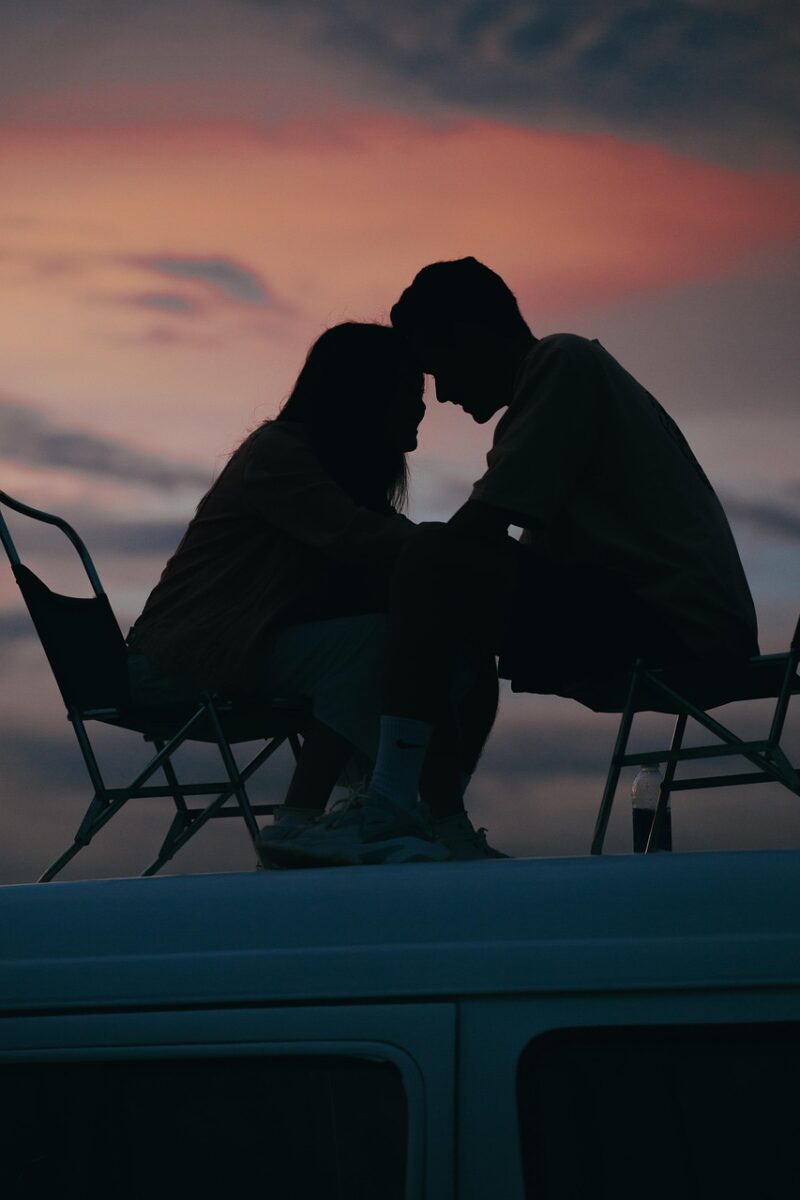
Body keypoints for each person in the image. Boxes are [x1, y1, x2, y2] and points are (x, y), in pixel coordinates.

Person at [272, 257, 758, 867]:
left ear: (470, 335)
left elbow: (471, 537)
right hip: (654, 616)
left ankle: (393, 802)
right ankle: (437, 820)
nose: (442, 393)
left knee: (432, 561)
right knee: (445, 599)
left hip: (677, 627)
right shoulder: (549, 391)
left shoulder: (562, 363)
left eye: (438, 368)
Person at [127, 321, 498, 866]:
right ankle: (299, 823)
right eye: (409, 396)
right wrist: (459, 547)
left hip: (247, 647)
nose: (422, 411)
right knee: (379, 642)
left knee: (455, 649)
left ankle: (438, 816)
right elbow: (358, 539)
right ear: (363, 397)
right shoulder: (278, 456)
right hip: (179, 657)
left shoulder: (337, 472)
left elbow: (378, 553)